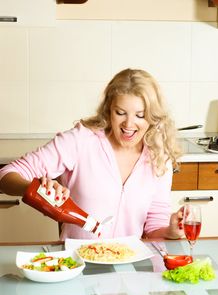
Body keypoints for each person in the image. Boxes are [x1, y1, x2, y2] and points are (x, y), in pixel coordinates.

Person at [0, 68, 183, 241]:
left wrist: (170, 231)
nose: (128, 124)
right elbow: (7, 175)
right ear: (109, 109)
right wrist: (37, 188)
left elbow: (154, 228)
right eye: (120, 113)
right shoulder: (80, 141)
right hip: (78, 263)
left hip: (127, 263)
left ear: (152, 117)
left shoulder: (159, 157)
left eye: (140, 115)